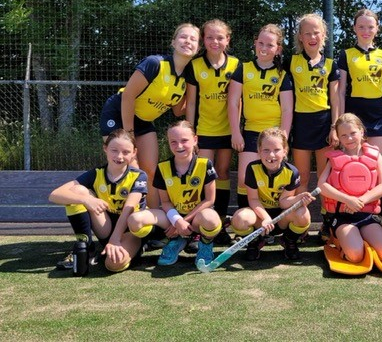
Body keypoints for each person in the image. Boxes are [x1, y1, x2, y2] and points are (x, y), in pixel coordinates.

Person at [99, 23, 200, 209]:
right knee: (131, 168)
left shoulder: (187, 77)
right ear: (173, 42)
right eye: (183, 37)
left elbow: (178, 111)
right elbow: (128, 96)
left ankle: (152, 217)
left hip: (144, 121)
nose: (188, 41)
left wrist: (208, 99)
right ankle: (124, 217)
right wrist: (128, 134)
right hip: (119, 113)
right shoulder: (155, 63)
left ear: (198, 48)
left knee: (151, 172)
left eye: (193, 39)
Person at [49, 129, 147, 274]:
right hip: (105, 228)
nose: (119, 156)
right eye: (114, 150)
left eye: (126, 152)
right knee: (77, 191)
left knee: (114, 264)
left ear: (134, 153)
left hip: (128, 231)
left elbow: (128, 209)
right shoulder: (96, 174)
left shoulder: (139, 176)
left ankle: (136, 249)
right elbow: (54, 195)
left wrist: (115, 239)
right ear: (105, 149)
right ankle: (86, 248)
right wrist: (86, 199)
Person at [127, 120, 222, 267]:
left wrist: (183, 221)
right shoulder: (162, 168)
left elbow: (209, 200)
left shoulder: (205, 165)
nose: (179, 146)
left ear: (195, 140)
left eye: (184, 140)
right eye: (173, 142)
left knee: (211, 219)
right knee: (135, 220)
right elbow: (165, 202)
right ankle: (175, 240)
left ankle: (205, 243)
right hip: (172, 218)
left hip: (197, 218)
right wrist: (177, 221)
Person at [227, 24, 294, 210]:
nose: (264, 48)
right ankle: (245, 219)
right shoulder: (243, 69)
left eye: (270, 45)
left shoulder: (282, 75)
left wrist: (283, 137)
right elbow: (233, 103)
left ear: (278, 49)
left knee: (274, 179)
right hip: (251, 131)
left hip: (274, 134)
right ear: (255, 43)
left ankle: (274, 219)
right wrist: (235, 133)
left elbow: (287, 109)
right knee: (244, 178)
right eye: (261, 43)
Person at [184, 19, 239, 245]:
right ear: (203, 40)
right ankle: (200, 228)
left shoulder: (236, 64)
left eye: (220, 37)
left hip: (227, 130)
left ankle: (220, 224)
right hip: (204, 130)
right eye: (209, 37)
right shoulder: (195, 65)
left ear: (227, 40)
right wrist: (191, 133)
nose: (215, 42)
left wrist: (236, 130)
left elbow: (238, 101)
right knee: (204, 177)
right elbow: (191, 103)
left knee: (223, 172)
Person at [286, 13, 340, 242]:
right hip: (301, 124)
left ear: (324, 35)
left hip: (324, 123)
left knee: (325, 179)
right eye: (307, 33)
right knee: (303, 177)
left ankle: (328, 224)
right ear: (300, 37)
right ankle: (301, 225)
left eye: (316, 32)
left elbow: (335, 99)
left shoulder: (330, 64)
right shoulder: (291, 62)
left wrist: (335, 127)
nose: (312, 37)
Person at [318, 113, 382, 264]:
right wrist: (348, 200)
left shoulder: (375, 155)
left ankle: (361, 240)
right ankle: (339, 239)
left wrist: (361, 201)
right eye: (344, 135)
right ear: (338, 137)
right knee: (355, 256)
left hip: (367, 216)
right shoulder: (335, 157)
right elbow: (322, 185)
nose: (349, 138)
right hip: (343, 217)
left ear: (361, 131)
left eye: (353, 133)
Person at [230, 127, 316, 261]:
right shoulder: (252, 168)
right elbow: (253, 200)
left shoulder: (292, 172)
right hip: (260, 218)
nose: (271, 155)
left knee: (303, 214)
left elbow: (284, 202)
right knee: (240, 218)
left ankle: (288, 240)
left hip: (281, 219)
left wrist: (299, 198)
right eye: (266, 150)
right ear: (259, 151)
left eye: (276, 150)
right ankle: (255, 242)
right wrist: (265, 218)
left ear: (285, 151)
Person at [338, 9, 382, 156]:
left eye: (370, 27)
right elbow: (341, 92)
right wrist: (340, 122)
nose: (366, 31)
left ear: (377, 28)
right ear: (354, 28)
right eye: (361, 27)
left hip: (378, 114)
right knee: (353, 162)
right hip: (354, 113)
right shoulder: (346, 55)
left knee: (373, 160)